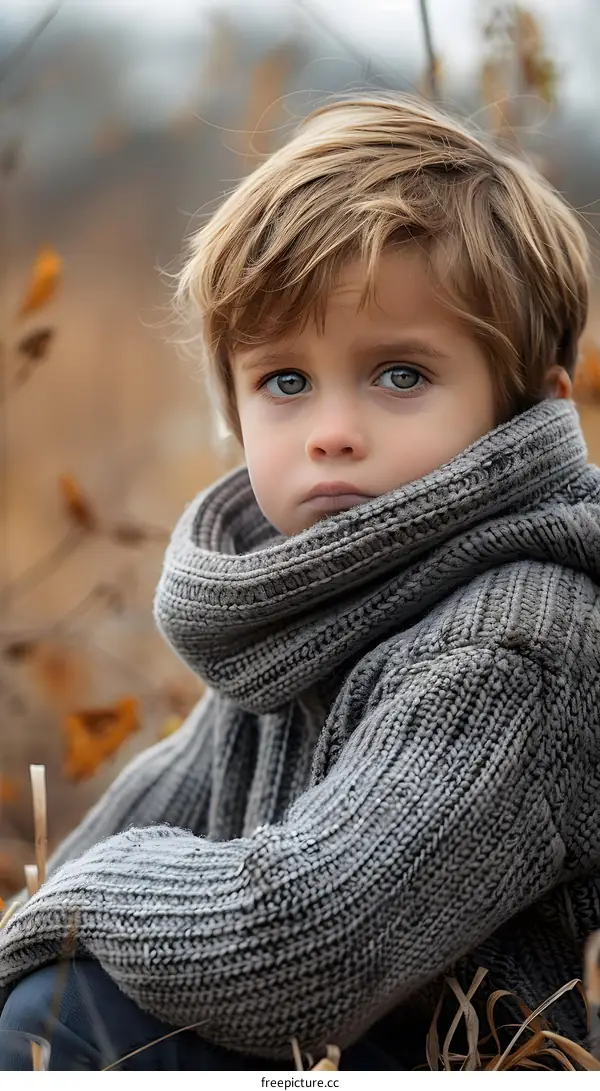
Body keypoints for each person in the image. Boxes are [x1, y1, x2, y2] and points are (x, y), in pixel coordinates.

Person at [1, 94, 599, 1072]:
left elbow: (306, 942)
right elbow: (121, 837)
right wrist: (55, 917)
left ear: (525, 401)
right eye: (286, 381)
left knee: (74, 1014)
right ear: (234, 415)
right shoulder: (308, 611)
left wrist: (70, 910)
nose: (331, 429)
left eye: (400, 373)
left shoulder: (523, 634)